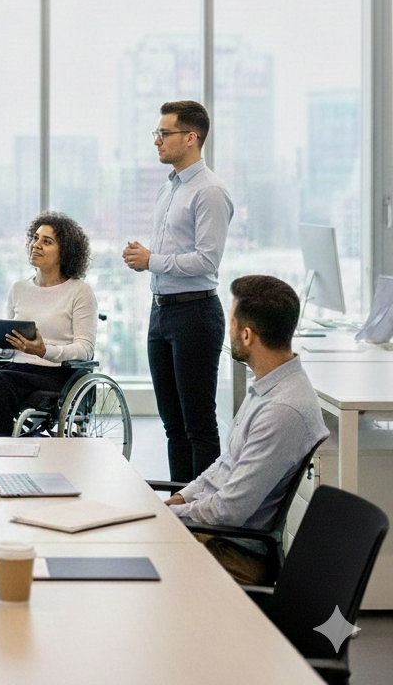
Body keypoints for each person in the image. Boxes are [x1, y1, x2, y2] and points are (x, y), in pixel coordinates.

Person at [164, 274, 328, 585]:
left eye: (232, 324)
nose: (230, 332)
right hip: (213, 535)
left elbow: (229, 511)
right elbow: (224, 466)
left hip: (231, 552)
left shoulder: (282, 411)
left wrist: (166, 517)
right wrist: (181, 498)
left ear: (248, 335)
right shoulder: (269, 386)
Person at [122, 100, 233, 482]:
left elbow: (206, 261)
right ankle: (182, 511)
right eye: (157, 134)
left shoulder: (210, 192)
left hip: (195, 314)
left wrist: (151, 260)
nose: (157, 141)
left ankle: (208, 522)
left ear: (191, 137)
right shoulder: (168, 189)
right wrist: (149, 261)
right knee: (172, 425)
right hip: (162, 312)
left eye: (164, 134)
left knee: (198, 425)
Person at [0, 212, 98, 436]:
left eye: (47, 241)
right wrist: (4, 343)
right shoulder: (19, 289)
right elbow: (6, 352)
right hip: (17, 369)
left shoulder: (80, 292)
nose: (36, 245)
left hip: (56, 374)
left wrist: (45, 351)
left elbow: (85, 350)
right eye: (35, 238)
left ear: (65, 252)